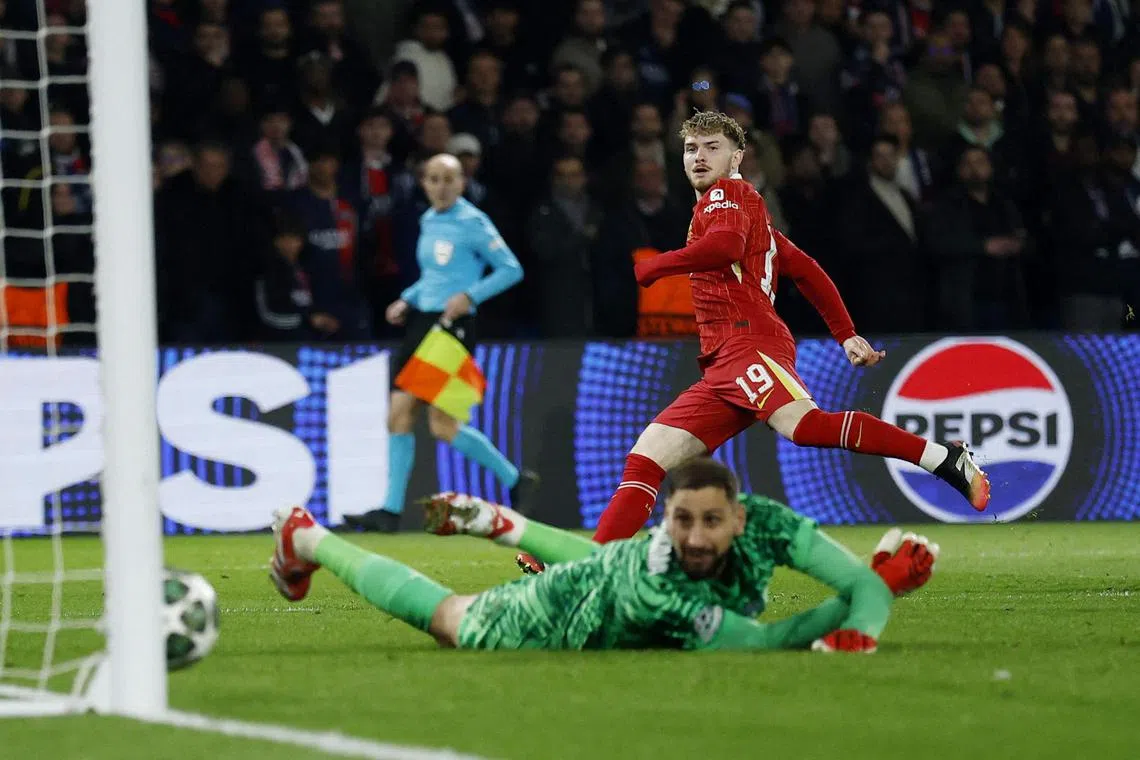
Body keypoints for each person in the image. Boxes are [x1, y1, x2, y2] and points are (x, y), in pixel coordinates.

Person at [524, 111, 989, 571]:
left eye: (713, 148)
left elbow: (724, 248)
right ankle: (579, 568)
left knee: (805, 426)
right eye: (691, 148)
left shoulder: (728, 195)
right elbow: (806, 270)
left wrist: (658, 265)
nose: (699, 157)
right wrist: (846, 334)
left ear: (737, 157)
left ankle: (942, 458)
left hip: (747, 344)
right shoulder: (748, 211)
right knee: (645, 462)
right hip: (724, 362)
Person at [270, 458, 939, 652]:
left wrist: (866, 612)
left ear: (740, 517)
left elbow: (857, 582)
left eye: (712, 522)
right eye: (681, 521)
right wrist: (867, 601)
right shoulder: (660, 586)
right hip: (565, 612)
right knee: (449, 620)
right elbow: (766, 643)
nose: (696, 537)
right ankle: (308, 538)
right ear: (665, 519)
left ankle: (503, 523)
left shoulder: (771, 523)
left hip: (597, 569)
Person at [344, 153, 537, 533]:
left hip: (453, 327)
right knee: (399, 416)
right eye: (433, 179)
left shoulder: (473, 222)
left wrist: (470, 296)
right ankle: (390, 512)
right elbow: (434, 276)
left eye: (449, 179)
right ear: (424, 184)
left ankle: (515, 479)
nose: (441, 187)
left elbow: (511, 269)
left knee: (442, 425)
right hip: (422, 323)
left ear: (462, 183)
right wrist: (408, 299)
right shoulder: (429, 219)